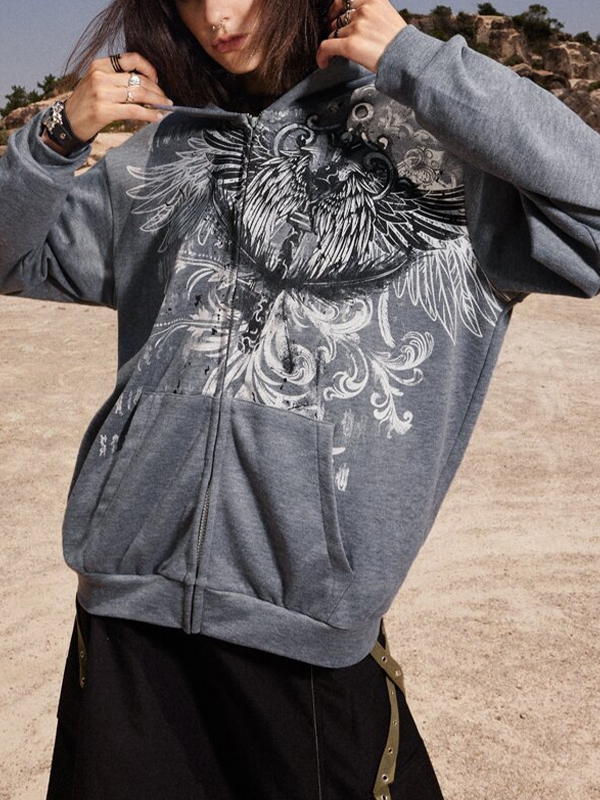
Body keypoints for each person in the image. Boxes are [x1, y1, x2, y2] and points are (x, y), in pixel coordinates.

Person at [0, 0, 598, 797]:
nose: (217, 14)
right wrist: (54, 138)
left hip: (307, 645)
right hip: (125, 625)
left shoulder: (448, 146)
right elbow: (13, 255)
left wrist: (418, 62)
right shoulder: (166, 152)